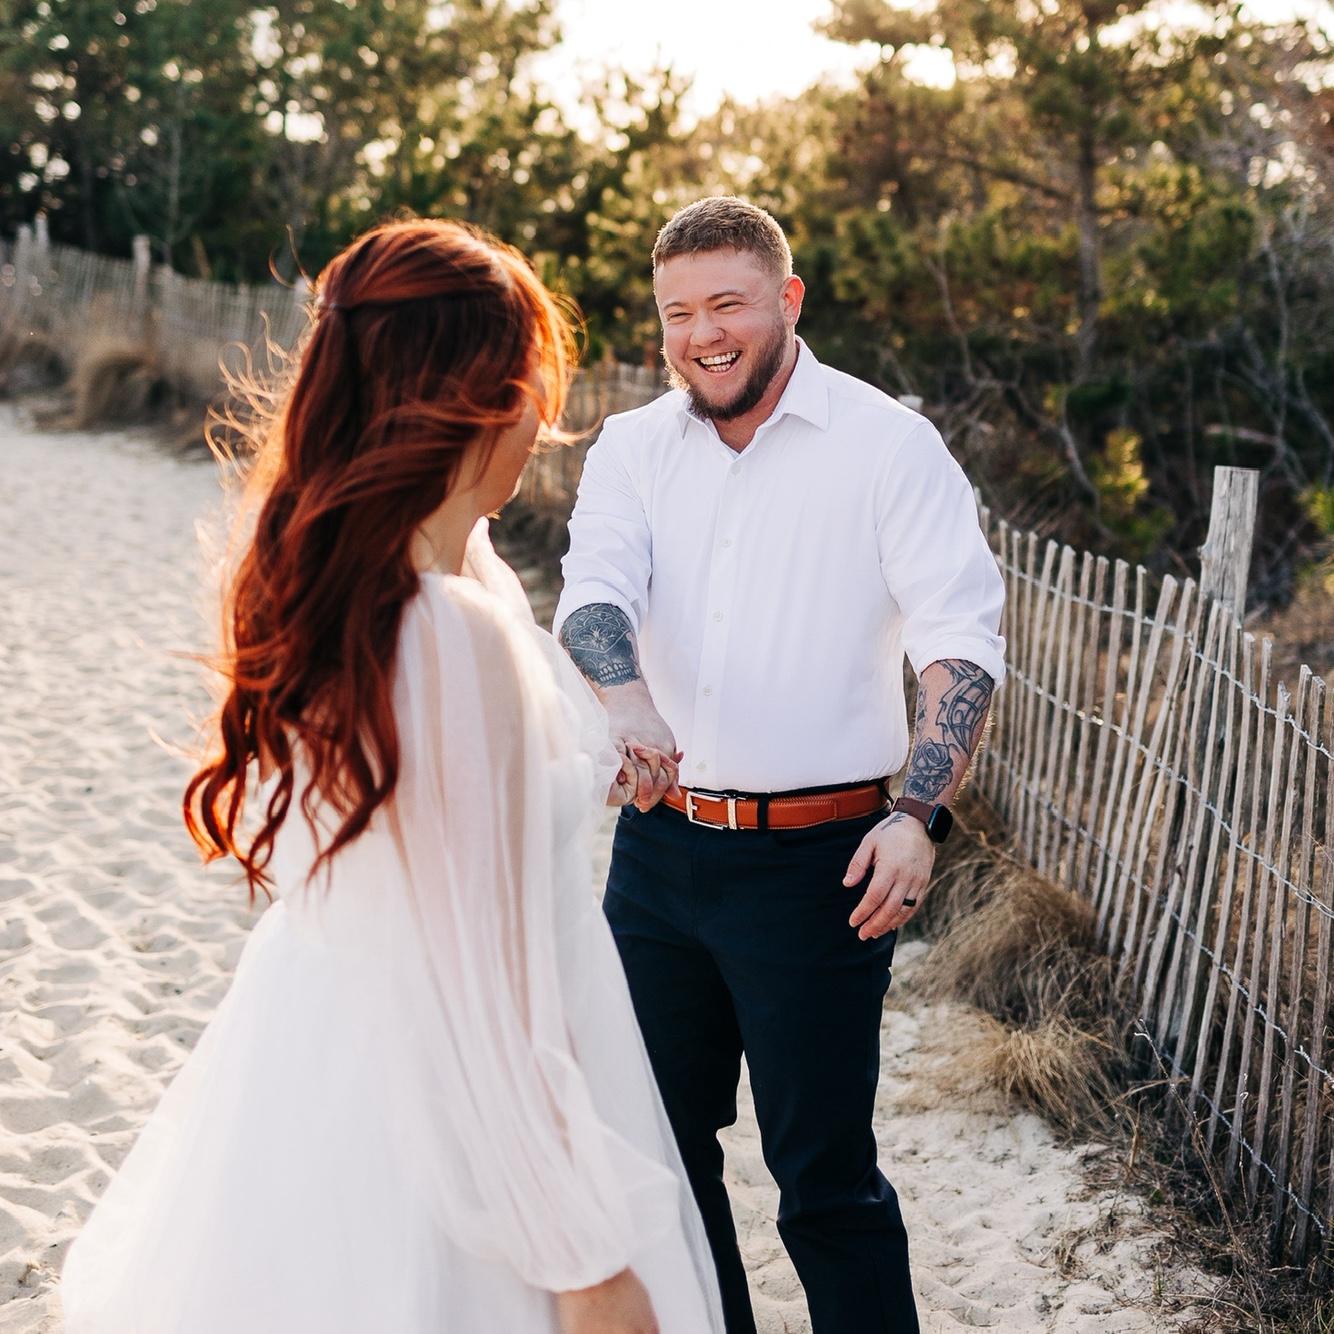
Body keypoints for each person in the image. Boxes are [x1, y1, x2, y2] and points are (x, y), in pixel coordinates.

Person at [60, 219, 724, 1334]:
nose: (543, 422)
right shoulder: (447, 631)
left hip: (316, 1062)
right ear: (476, 400)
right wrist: (581, 1257)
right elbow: (478, 990)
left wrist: (596, 758)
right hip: (453, 1110)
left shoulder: (349, 578)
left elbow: (448, 810)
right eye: (531, 384)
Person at [554, 197, 1007, 1334]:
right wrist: (627, 701)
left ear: (788, 300)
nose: (702, 335)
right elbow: (593, 591)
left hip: (821, 868)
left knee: (825, 1179)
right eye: (677, 313)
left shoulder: (886, 445)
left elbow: (957, 641)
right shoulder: (631, 446)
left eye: (727, 305)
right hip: (657, 855)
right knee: (661, 1155)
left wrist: (916, 814)